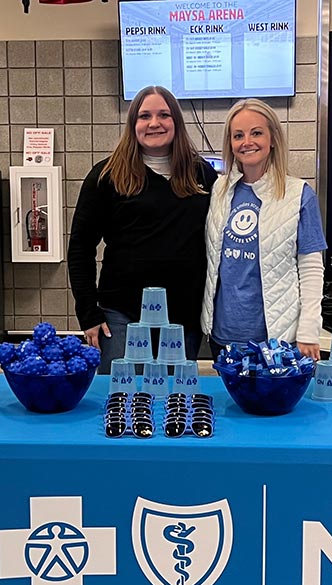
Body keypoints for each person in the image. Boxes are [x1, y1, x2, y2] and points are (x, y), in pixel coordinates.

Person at [68, 85, 218, 374]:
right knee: (123, 405)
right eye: (144, 116)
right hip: (121, 315)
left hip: (182, 316)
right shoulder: (106, 176)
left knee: (175, 405)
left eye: (164, 114)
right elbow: (80, 248)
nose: (154, 123)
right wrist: (88, 313)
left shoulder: (202, 175)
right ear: (133, 124)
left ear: (176, 121)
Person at [201, 98, 326, 361]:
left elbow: (311, 268)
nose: (247, 142)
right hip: (223, 336)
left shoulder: (298, 194)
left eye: (256, 132)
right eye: (238, 135)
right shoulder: (219, 191)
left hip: (277, 338)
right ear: (231, 144)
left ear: (272, 139)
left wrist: (309, 330)